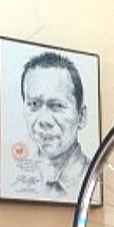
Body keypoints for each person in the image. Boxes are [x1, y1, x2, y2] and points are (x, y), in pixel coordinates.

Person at [20, 51, 90, 200]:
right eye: (34, 104)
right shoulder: (17, 178)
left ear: (81, 116)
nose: (44, 120)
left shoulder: (93, 180)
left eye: (57, 106)